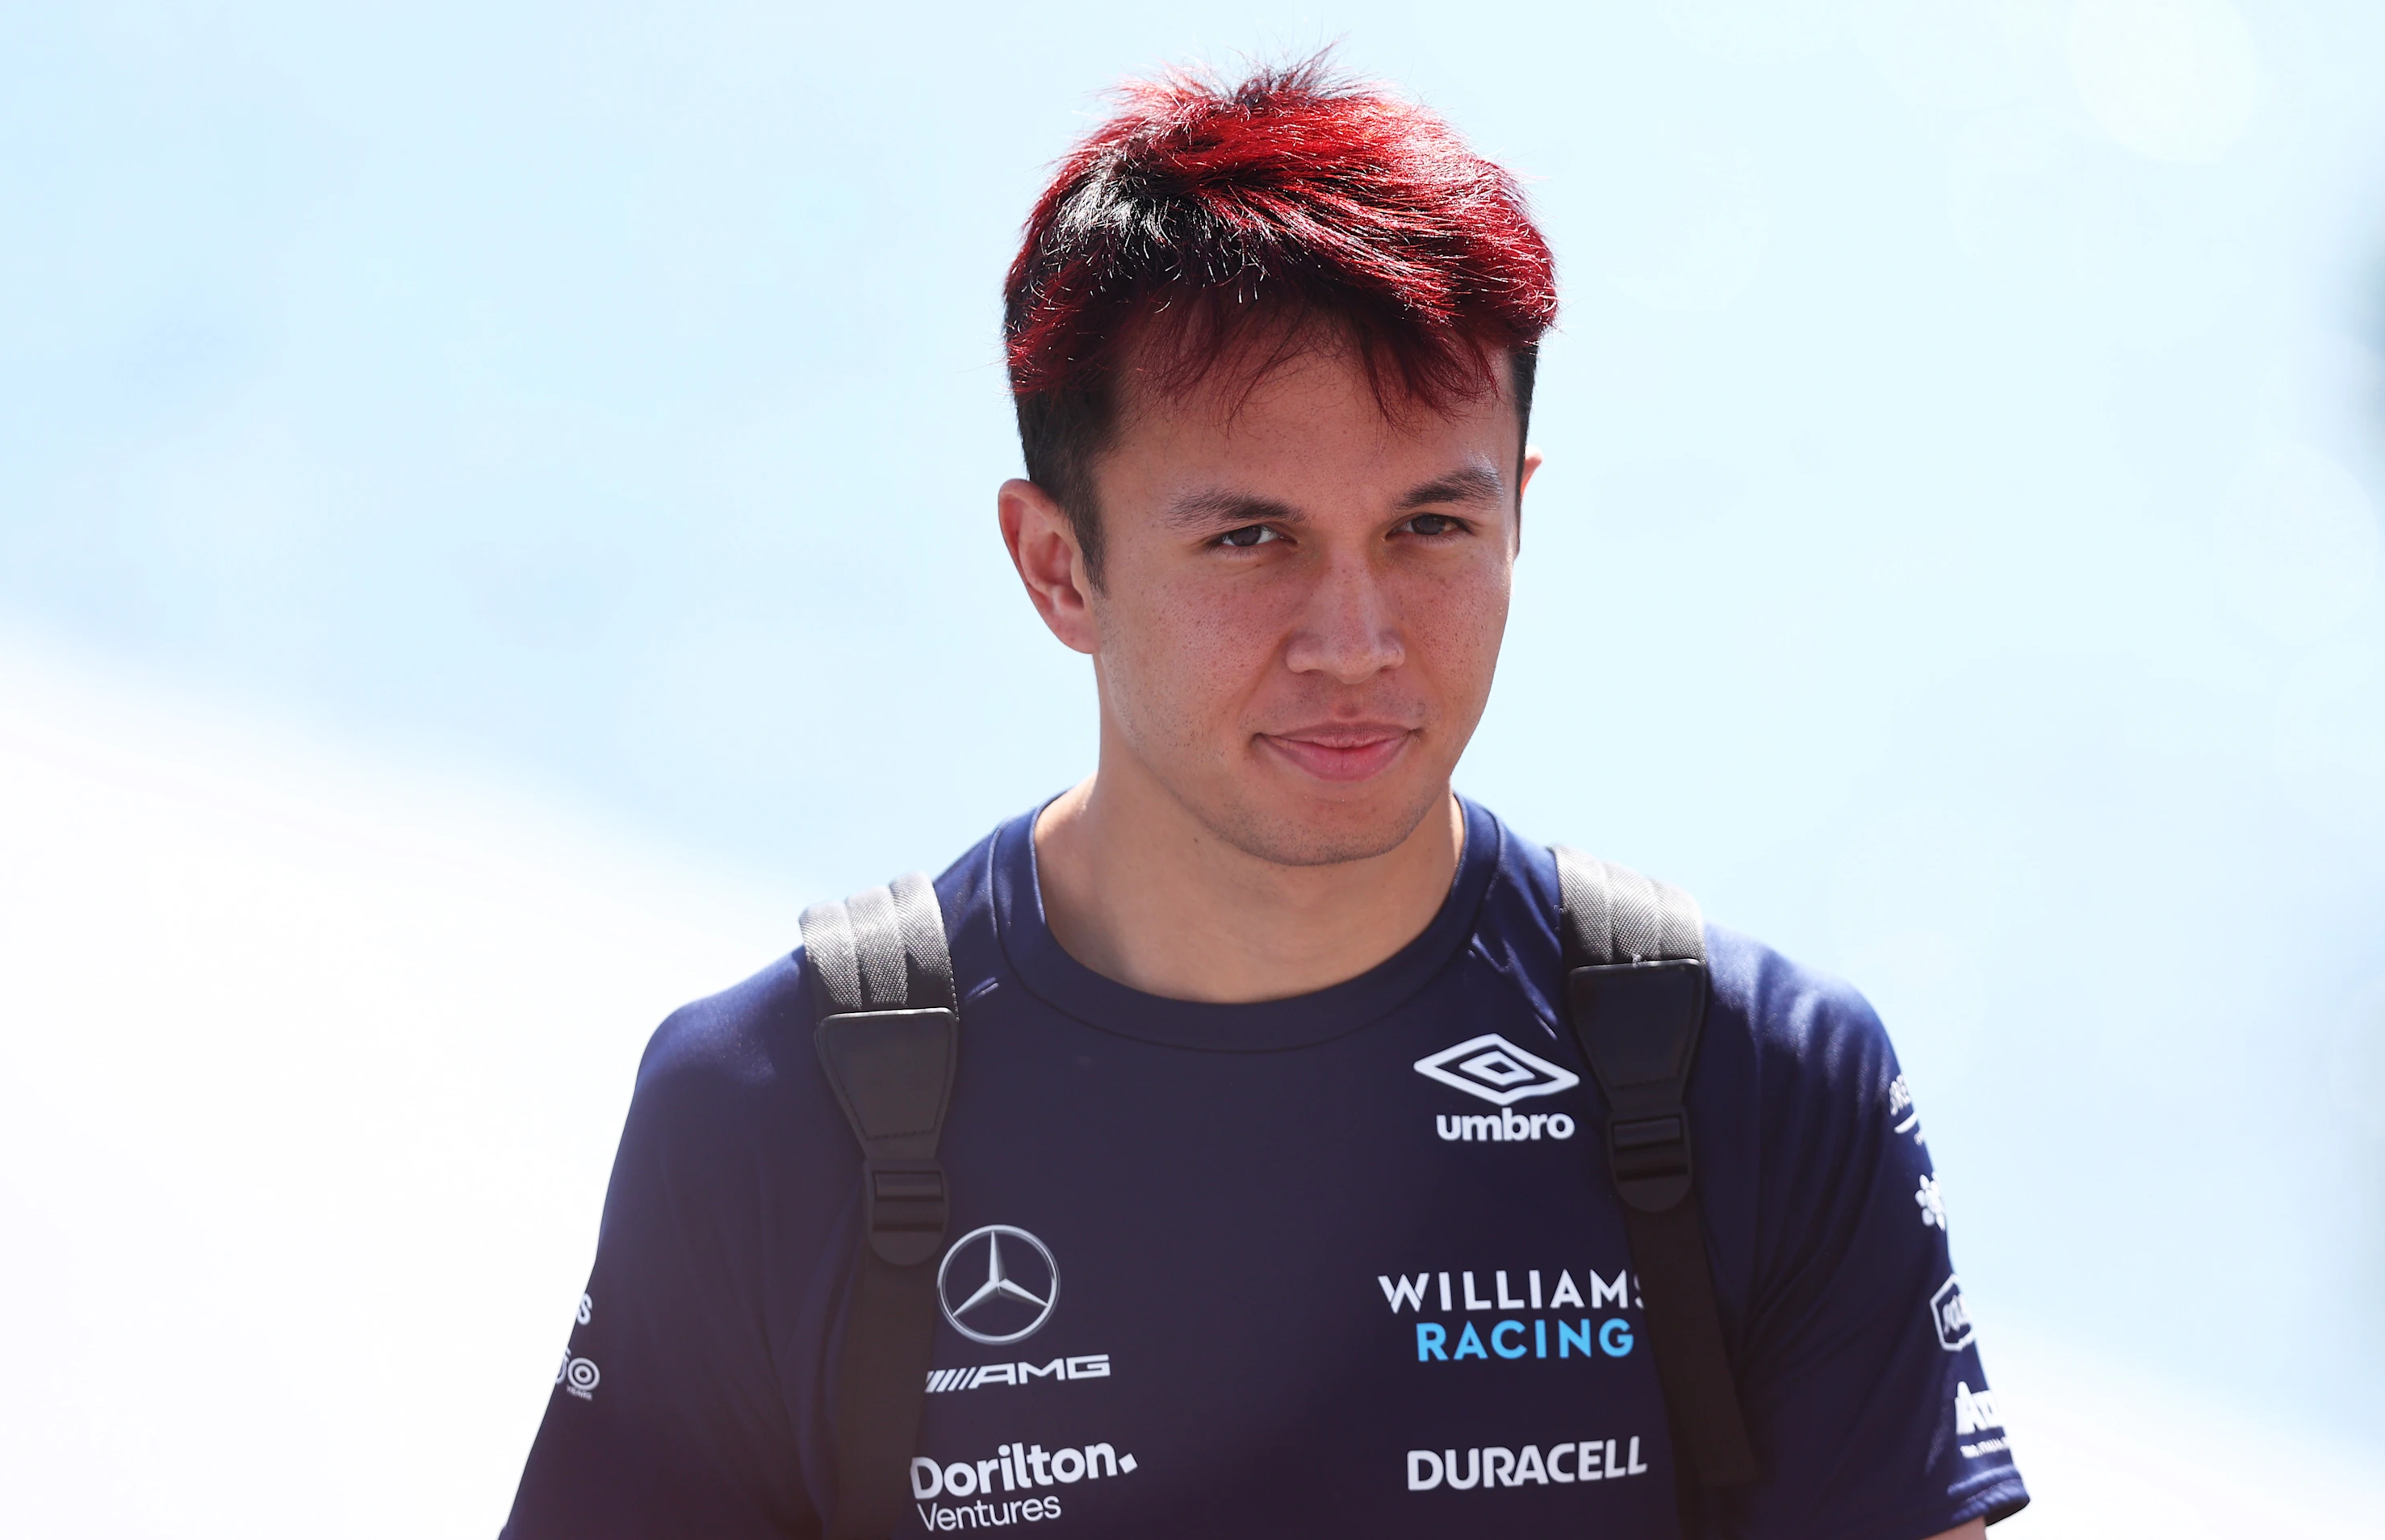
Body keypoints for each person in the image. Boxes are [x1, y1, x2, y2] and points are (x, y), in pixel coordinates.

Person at [504, 58, 2027, 1540]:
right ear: (1058, 564)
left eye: (1432, 524)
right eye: (1252, 541)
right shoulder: (778, 1111)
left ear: (1521, 521)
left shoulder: (1758, 1088)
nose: (1355, 643)